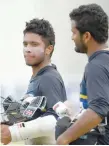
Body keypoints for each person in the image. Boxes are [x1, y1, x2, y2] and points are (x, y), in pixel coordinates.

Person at [1, 18, 67, 145]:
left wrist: (14, 133)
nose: (27, 49)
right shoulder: (38, 77)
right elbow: (37, 116)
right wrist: (11, 121)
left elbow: (56, 119)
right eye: (25, 44)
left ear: (48, 49)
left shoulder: (49, 78)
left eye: (34, 44)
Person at [56, 3, 109, 145]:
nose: (72, 37)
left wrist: (64, 138)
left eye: (74, 32)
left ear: (86, 36)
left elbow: (98, 110)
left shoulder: (95, 66)